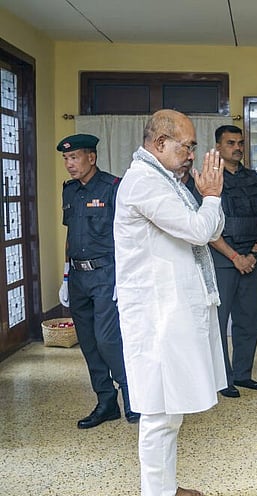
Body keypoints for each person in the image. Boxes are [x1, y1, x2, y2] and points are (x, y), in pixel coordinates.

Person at [114, 109, 226, 496]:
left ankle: (166, 487)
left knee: (170, 408)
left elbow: (211, 228)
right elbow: (198, 229)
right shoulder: (144, 182)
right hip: (156, 314)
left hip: (171, 309)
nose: (192, 155)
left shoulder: (166, 181)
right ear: (160, 143)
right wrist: (211, 196)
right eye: (187, 146)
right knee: (158, 412)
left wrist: (210, 199)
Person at [58, 133, 137, 429]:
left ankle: (132, 395)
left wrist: (123, 276)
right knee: (89, 342)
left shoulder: (114, 188)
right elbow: (71, 234)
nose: (69, 164)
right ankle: (106, 402)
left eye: (74, 157)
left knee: (108, 339)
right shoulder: (69, 191)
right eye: (66, 158)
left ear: (91, 157)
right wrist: (66, 275)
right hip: (78, 276)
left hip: (107, 274)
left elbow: (128, 235)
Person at [208, 125, 257, 398]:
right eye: (231, 143)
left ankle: (243, 374)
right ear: (218, 147)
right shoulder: (210, 179)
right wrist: (235, 257)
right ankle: (223, 378)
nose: (237, 148)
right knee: (220, 322)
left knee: (248, 319)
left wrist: (254, 253)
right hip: (223, 259)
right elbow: (207, 226)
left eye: (240, 143)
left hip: (250, 259)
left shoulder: (252, 178)